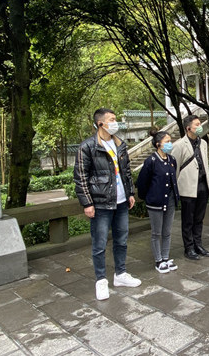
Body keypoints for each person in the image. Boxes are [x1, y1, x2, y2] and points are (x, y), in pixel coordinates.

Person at [73, 108, 142, 300]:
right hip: (101, 203)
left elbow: (126, 171)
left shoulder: (120, 144)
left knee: (122, 240)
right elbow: (81, 177)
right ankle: (101, 280)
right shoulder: (88, 146)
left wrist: (130, 192)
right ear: (100, 123)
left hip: (121, 202)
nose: (115, 122)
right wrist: (87, 203)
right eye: (112, 119)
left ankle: (120, 274)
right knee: (99, 244)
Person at [135, 130, 179, 274]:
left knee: (167, 231)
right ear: (158, 144)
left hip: (170, 200)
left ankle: (166, 257)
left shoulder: (172, 160)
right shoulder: (151, 161)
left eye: (170, 141)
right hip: (155, 202)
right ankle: (158, 260)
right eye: (167, 141)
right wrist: (148, 197)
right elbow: (142, 182)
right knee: (156, 233)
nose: (170, 144)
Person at [172, 114, 209, 260]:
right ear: (188, 128)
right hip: (188, 187)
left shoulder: (203, 143)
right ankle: (188, 247)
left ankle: (198, 244)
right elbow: (175, 168)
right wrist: (175, 189)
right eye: (197, 124)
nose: (200, 126)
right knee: (188, 219)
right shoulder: (179, 145)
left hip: (202, 185)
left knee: (199, 218)